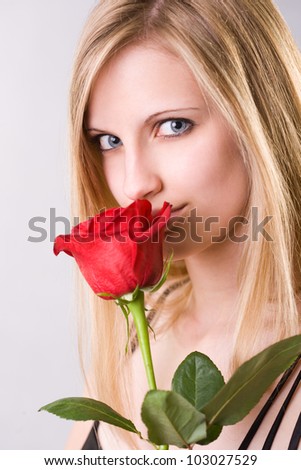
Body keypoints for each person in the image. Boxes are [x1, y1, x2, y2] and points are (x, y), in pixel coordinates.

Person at [64, 0, 301, 450]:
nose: (135, 183)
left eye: (173, 125)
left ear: (260, 119)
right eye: (109, 141)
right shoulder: (138, 332)